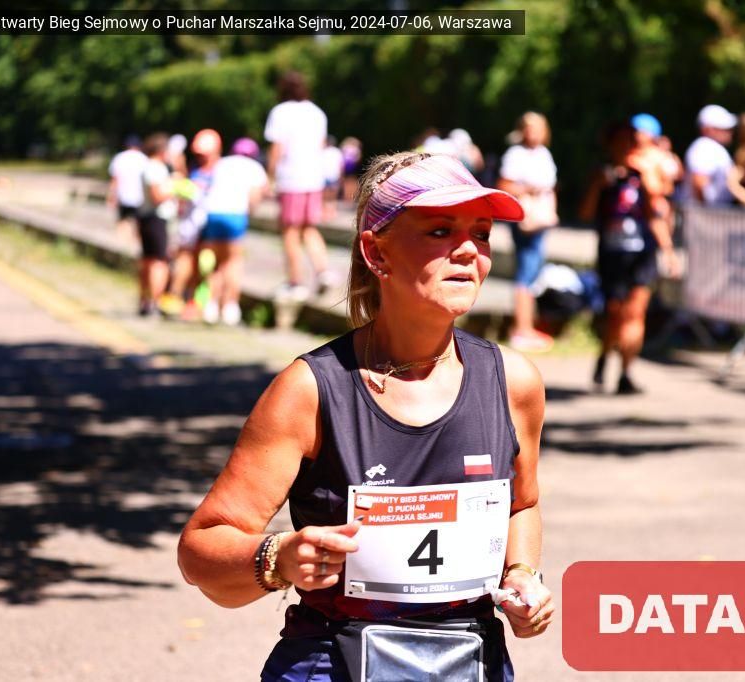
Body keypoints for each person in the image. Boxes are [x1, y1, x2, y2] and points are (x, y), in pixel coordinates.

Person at [177, 151, 553, 681]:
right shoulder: (311, 389)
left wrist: (522, 574)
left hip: (471, 662)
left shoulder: (514, 382)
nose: (469, 250)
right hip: (331, 663)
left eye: (482, 234)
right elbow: (202, 549)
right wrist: (279, 557)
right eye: (440, 231)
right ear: (376, 252)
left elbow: (522, 504)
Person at [581, 121, 677, 394]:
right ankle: (604, 355)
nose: (625, 147)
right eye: (620, 142)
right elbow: (586, 213)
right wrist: (597, 187)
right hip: (612, 255)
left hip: (642, 254)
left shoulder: (642, 174)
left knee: (635, 313)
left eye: (630, 142)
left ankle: (625, 372)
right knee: (615, 315)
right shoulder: (602, 174)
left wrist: (668, 250)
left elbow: (656, 212)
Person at [265, 70, 335, 300]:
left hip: (291, 178)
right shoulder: (317, 113)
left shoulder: (280, 112)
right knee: (309, 228)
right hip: (313, 178)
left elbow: (277, 148)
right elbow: (321, 147)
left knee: (290, 231)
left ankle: (295, 282)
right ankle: (323, 271)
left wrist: (270, 176)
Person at [497, 112, 559, 352]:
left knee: (533, 272)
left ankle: (527, 326)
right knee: (526, 271)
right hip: (525, 219)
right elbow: (504, 185)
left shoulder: (543, 154)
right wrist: (529, 189)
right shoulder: (515, 154)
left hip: (540, 218)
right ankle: (521, 329)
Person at [199, 137, 269, 326]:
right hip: (235, 215)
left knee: (215, 263)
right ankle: (230, 306)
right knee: (233, 261)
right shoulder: (255, 168)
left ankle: (211, 305)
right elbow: (254, 197)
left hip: (213, 213)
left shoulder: (221, 163)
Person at [161, 128, 221, 319]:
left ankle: (201, 304)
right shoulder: (196, 171)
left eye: (204, 154)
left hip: (208, 225)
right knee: (186, 259)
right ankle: (177, 298)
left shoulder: (220, 171)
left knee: (206, 265)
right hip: (191, 225)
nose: (201, 157)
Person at [136, 133, 177, 317]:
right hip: (157, 218)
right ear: (162, 150)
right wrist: (176, 188)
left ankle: (145, 301)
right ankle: (154, 301)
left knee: (147, 261)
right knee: (158, 262)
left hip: (147, 217)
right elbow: (157, 196)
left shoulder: (148, 166)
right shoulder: (156, 168)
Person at [685, 104, 737, 205]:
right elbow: (699, 182)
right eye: (724, 128)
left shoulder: (709, 147)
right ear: (708, 129)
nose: (729, 132)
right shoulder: (705, 147)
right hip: (704, 213)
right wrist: (706, 210)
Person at [107, 135, 147, 243]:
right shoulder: (143, 159)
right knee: (138, 224)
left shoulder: (119, 157)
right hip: (140, 197)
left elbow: (115, 180)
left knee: (122, 221)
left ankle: (120, 244)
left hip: (123, 196)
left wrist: (112, 195)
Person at [321, 135, 344, 220]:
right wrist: (341, 176)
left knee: (325, 196)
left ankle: (325, 212)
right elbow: (341, 165)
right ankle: (332, 212)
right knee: (333, 196)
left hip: (325, 175)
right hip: (335, 175)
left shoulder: (323, 151)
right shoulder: (337, 152)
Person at [340, 137, 363, 203]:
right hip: (352, 167)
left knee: (346, 183)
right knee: (352, 182)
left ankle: (347, 197)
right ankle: (350, 197)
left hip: (346, 167)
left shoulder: (345, 148)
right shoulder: (356, 149)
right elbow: (358, 158)